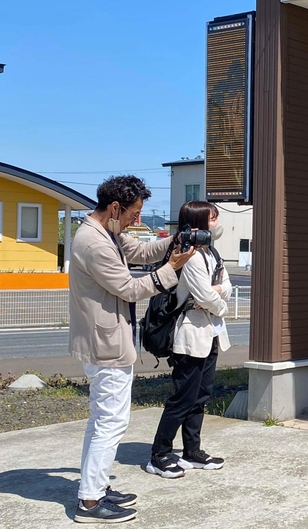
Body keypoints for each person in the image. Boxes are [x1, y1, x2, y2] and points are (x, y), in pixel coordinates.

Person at [69, 175, 196, 523]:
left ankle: (93, 488)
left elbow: (139, 251)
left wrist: (174, 242)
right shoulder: (94, 243)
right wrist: (171, 269)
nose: (134, 220)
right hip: (105, 344)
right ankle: (90, 502)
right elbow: (128, 288)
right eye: (132, 214)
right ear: (114, 208)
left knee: (102, 422)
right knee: (110, 423)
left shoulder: (105, 232)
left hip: (106, 340)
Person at [146, 201, 232, 478]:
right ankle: (159, 454)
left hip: (210, 333)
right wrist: (220, 303)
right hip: (190, 335)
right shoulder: (191, 255)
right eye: (213, 218)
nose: (217, 222)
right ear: (198, 223)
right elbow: (206, 296)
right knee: (183, 397)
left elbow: (224, 287)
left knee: (201, 396)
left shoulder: (211, 252)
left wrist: (215, 294)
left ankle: (191, 452)